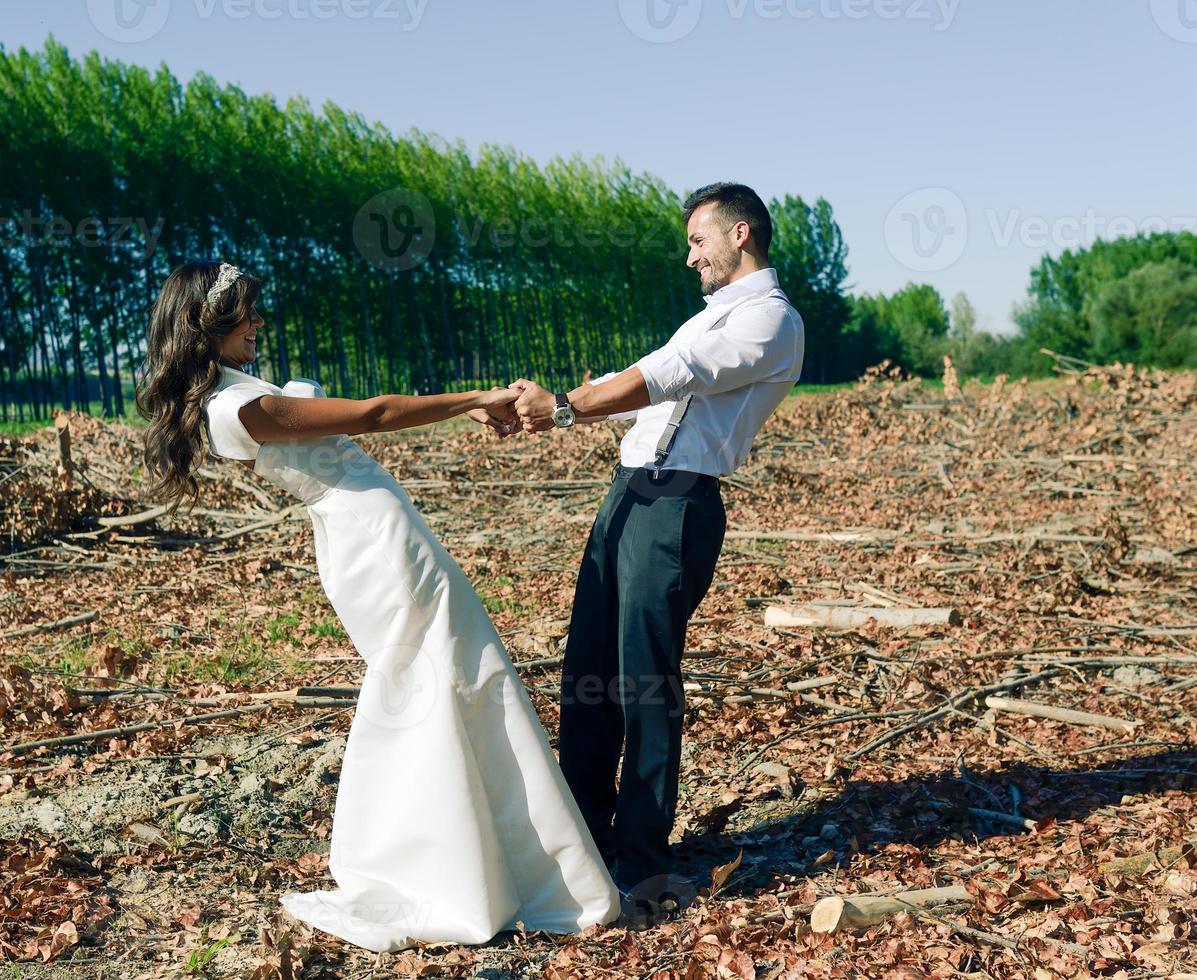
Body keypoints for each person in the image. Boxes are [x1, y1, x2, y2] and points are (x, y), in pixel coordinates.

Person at [135, 260, 619, 953]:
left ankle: (498, 858)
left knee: (447, 679)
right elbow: (376, 413)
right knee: (437, 680)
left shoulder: (237, 391)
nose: (257, 322)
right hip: (374, 543)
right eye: (245, 313)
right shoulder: (234, 408)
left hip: (375, 533)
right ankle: (465, 865)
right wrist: (473, 397)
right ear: (206, 323)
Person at [503, 182, 805, 911]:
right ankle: (580, 834)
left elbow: (674, 375)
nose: (688, 254)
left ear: (740, 235)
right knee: (590, 665)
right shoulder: (709, 317)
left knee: (643, 678)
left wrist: (566, 410)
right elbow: (638, 374)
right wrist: (532, 403)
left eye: (698, 240)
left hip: (676, 503)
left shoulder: (770, 320)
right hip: (629, 492)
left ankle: (637, 859)